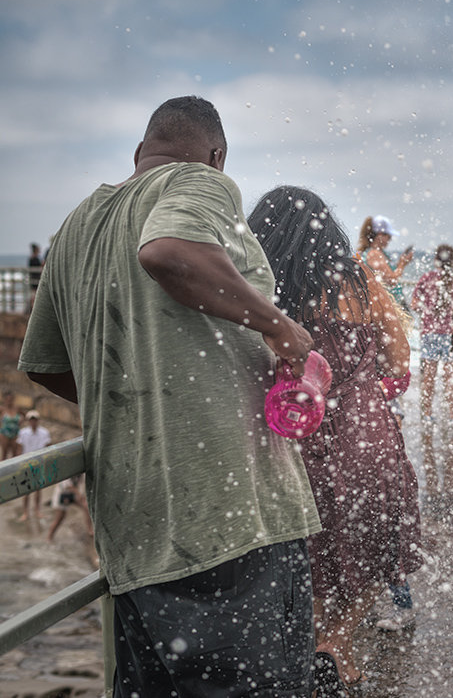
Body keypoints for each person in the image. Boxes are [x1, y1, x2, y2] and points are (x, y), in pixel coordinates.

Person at [17, 96, 322, 696]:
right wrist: (283, 330)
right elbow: (169, 252)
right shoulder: (199, 181)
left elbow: (48, 367)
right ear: (217, 155)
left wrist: (144, 402)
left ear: (139, 153)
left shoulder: (79, 222)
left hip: (135, 535)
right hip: (229, 519)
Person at [248, 185, 423, 682]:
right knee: (370, 545)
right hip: (365, 435)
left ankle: (306, 647)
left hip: (293, 436)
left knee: (307, 551)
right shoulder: (362, 279)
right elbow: (397, 357)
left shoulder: (259, 284)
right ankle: (337, 643)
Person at [410, 244, 453, 500]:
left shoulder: (427, 278)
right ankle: (452, 415)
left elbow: (414, 303)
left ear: (434, 260)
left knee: (429, 375)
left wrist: (426, 310)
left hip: (430, 332)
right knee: (449, 376)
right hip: (449, 333)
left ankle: (428, 414)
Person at [357, 215, 414, 308]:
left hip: (388, 303)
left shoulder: (379, 253)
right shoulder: (374, 254)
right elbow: (391, 280)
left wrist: (400, 264)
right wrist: (402, 264)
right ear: (380, 235)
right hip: (387, 305)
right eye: (388, 236)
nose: (389, 240)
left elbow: (387, 275)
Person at [16, 409, 50, 523]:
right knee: (26, 490)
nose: (33, 422)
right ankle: (26, 512)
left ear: (38, 420)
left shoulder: (44, 432)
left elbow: (47, 448)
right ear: (28, 421)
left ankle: (37, 510)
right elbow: (20, 448)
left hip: (39, 463)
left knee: (38, 489)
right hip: (26, 463)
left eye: (35, 420)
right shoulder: (23, 432)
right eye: (31, 420)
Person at [0, 391, 19, 461]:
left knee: (15, 454)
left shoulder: (17, 408)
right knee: (4, 454)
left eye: (10, 399)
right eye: (7, 399)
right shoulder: (2, 409)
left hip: (15, 433)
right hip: (4, 434)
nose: (9, 401)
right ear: (4, 400)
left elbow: (25, 415)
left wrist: (21, 421)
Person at [26, 242, 43, 312]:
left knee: (33, 294)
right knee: (35, 295)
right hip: (36, 279)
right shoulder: (34, 258)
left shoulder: (31, 258)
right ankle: (32, 309)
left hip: (33, 279)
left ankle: (30, 308)